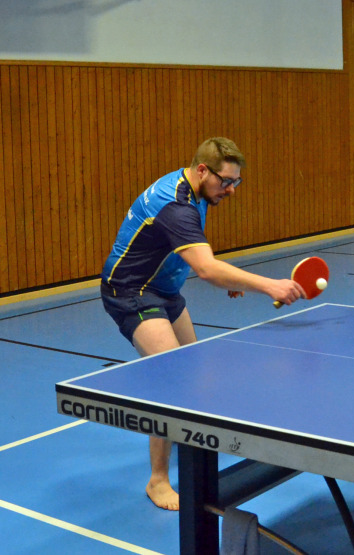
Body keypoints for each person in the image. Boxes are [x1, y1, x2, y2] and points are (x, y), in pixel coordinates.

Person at [100, 137, 306, 511]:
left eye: (236, 182)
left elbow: (192, 253)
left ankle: (183, 437)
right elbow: (207, 269)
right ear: (202, 170)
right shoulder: (176, 206)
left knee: (193, 371)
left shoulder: (194, 190)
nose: (231, 190)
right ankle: (157, 481)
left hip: (164, 287)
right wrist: (268, 285)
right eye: (226, 181)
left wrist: (231, 280)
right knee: (171, 381)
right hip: (132, 291)